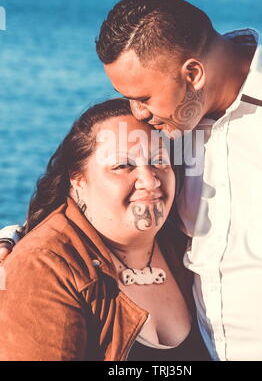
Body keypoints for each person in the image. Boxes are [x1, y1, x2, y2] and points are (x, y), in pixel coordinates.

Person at [2, 0, 262, 360]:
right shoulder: (168, 124)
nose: (137, 113)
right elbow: (103, 185)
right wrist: (19, 242)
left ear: (193, 74)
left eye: (142, 98)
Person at [0, 98, 211, 361]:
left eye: (159, 161)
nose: (149, 179)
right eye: (123, 166)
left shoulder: (186, 242)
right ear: (77, 178)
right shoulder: (43, 267)